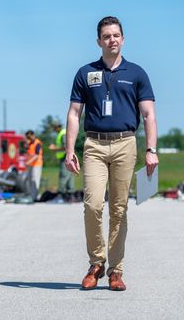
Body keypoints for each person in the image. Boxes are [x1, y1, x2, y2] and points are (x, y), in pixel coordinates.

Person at [65, 16, 158, 291]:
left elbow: (149, 114)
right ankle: (96, 263)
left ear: (123, 39)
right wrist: (69, 150)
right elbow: (73, 114)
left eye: (116, 35)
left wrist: (151, 150)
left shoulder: (137, 73)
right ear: (98, 41)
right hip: (93, 144)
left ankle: (116, 271)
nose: (112, 40)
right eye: (106, 36)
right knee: (93, 204)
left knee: (119, 208)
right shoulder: (85, 73)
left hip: (125, 144)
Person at [48, 123, 74, 201]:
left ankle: (61, 194)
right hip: (66, 157)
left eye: (55, 128)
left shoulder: (63, 134)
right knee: (69, 176)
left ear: (58, 127)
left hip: (65, 157)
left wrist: (54, 148)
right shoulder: (63, 133)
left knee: (63, 176)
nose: (54, 130)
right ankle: (71, 195)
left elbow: (65, 147)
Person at [24, 130, 43, 201]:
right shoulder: (29, 143)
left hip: (37, 164)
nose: (28, 138)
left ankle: (34, 197)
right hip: (30, 165)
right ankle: (31, 195)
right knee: (30, 180)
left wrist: (28, 162)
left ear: (32, 135)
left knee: (35, 180)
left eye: (29, 137)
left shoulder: (37, 143)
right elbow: (27, 152)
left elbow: (37, 155)